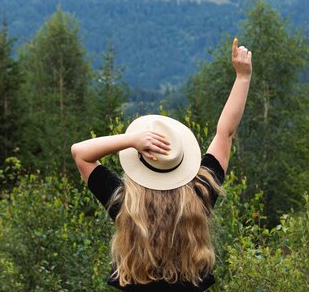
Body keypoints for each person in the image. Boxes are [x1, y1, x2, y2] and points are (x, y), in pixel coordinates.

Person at [71, 37, 252, 291]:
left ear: (140, 161)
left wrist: (130, 140)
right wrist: (243, 77)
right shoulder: (199, 194)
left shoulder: (126, 203)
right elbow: (225, 134)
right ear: (181, 162)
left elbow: (80, 152)